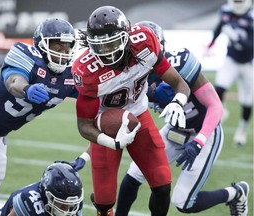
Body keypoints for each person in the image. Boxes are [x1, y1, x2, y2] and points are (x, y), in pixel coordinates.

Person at [115, 21, 250, 216]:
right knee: (135, 173)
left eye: (146, 50)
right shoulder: (134, 77)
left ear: (158, 47)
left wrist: (199, 141)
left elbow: (215, 106)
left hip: (204, 132)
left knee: (183, 202)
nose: (140, 56)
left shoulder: (180, 64)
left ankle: (235, 193)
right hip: (174, 130)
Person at [71, 6, 191, 216]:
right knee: (104, 201)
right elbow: (84, 125)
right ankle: (103, 208)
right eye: (101, 47)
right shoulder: (87, 71)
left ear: (126, 37)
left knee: (162, 184)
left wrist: (177, 102)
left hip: (140, 116)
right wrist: (112, 142)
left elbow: (180, 83)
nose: (107, 52)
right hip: (106, 126)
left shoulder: (145, 43)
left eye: (112, 44)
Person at [0, 17, 78, 216]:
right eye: (56, 46)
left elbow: (95, 92)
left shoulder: (69, 77)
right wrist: (26, 89)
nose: (62, 53)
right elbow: (13, 81)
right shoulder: (25, 54)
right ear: (42, 45)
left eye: (66, 48)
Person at [206, 0, 253, 146]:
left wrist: (236, 36)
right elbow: (219, 27)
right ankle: (222, 109)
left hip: (249, 62)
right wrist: (210, 44)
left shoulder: (251, 15)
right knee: (219, 88)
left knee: (247, 101)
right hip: (231, 59)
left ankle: (242, 130)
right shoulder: (226, 11)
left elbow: (251, 44)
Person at [0, 162, 83, 216]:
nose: (68, 208)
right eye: (62, 204)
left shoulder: (75, 203)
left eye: (70, 204)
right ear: (48, 195)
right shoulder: (29, 200)